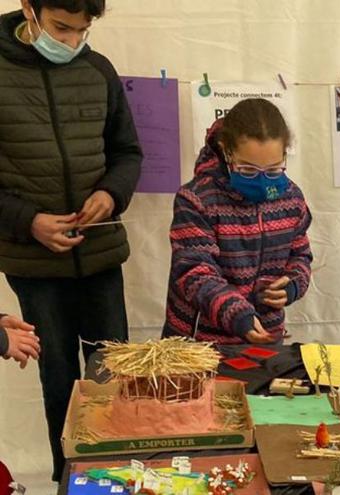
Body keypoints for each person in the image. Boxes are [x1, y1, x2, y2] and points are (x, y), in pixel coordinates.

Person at [0, 0, 142, 481]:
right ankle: (73, 479)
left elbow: (127, 152)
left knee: (112, 372)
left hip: (100, 255)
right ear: (28, 8)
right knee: (58, 377)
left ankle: (121, 474)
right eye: (61, 28)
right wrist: (28, 221)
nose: (71, 42)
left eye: (82, 31)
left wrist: (111, 192)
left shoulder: (98, 69)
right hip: (33, 262)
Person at [163, 98, 312, 344]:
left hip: (264, 335)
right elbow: (194, 270)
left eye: (273, 170)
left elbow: (301, 254)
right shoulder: (197, 199)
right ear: (226, 150)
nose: (262, 181)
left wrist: (293, 284)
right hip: (200, 342)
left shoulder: (291, 198)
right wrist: (236, 313)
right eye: (248, 170)